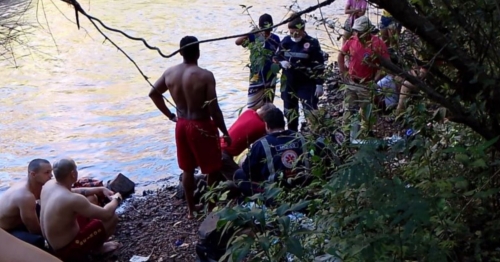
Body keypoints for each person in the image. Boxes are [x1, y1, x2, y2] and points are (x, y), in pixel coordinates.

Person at [149, 36, 231, 219]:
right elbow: (214, 109)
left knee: (187, 169)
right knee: (212, 169)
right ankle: (210, 208)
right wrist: (225, 132)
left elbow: (153, 93)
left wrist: (170, 115)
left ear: (179, 52)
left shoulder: (170, 73)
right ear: (198, 52)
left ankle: (191, 210)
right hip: (201, 125)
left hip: (182, 124)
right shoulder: (205, 76)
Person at [40, 158, 122, 261]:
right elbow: (107, 214)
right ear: (73, 174)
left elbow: (73, 191)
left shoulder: (49, 185)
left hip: (52, 245)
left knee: (92, 198)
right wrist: (117, 199)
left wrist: (100, 189)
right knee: (112, 218)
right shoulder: (71, 199)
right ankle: (98, 249)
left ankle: (94, 242)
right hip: (67, 251)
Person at [233, 108, 310, 197]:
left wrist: (243, 161)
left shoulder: (260, 144)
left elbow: (248, 171)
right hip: (304, 184)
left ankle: (265, 199)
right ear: (284, 123)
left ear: (266, 125)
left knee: (239, 175)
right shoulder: (301, 137)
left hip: (275, 193)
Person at [337, 16, 389, 139]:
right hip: (351, 81)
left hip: (367, 83)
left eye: (360, 32)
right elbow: (341, 55)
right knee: (348, 109)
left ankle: (367, 133)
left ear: (367, 31)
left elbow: (386, 63)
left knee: (367, 111)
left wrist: (376, 79)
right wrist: (343, 72)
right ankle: (346, 134)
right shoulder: (351, 40)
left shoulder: (377, 43)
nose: (358, 34)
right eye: (357, 32)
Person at [275, 16, 325, 132]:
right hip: (289, 83)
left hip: (307, 83)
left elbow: (319, 65)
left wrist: (319, 83)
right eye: (291, 33)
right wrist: (281, 62)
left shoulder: (312, 43)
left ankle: (314, 134)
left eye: (296, 33)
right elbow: (276, 57)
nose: (294, 36)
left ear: (302, 30)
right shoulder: (286, 41)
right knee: (290, 111)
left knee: (310, 111)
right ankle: (293, 134)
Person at [0, 159, 52, 249]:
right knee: (38, 240)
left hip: (17, 220)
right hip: (6, 231)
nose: (51, 176)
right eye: (47, 173)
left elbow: (52, 193)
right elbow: (35, 230)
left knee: (50, 209)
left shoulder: (32, 183)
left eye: (51, 172)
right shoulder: (25, 196)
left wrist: (81, 191)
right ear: (33, 174)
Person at [235, 13, 281, 109]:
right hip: (256, 75)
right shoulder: (254, 37)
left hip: (270, 75)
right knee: (253, 106)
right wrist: (251, 32)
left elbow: (279, 55)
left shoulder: (275, 38)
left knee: (269, 105)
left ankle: (266, 123)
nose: (265, 32)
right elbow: (238, 42)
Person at [220, 103, 276, 180]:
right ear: (266, 115)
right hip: (224, 155)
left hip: (218, 147)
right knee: (241, 180)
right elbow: (268, 143)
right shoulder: (261, 126)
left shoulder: (248, 112)